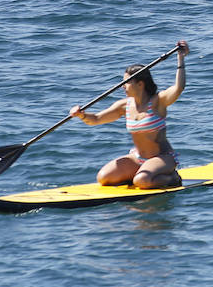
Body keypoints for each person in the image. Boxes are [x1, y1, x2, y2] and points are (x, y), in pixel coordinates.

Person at [70, 40, 189, 188]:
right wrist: (81, 114)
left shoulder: (158, 101)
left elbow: (179, 88)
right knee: (104, 178)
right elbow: (96, 119)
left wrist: (180, 58)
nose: (122, 86)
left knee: (141, 181)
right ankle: (144, 173)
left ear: (140, 84)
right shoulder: (124, 105)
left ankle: (172, 178)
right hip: (138, 158)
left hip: (162, 158)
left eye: (126, 83)